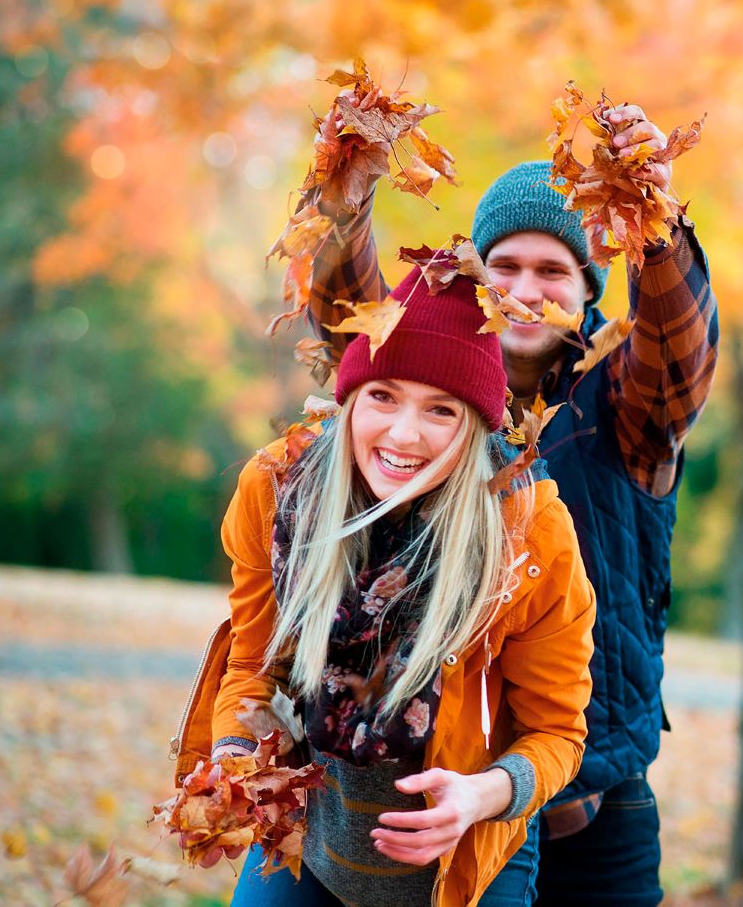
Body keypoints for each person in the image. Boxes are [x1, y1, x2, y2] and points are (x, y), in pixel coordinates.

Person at [309, 105, 720, 905]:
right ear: (475, 273)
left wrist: (656, 228)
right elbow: (352, 331)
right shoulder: (430, 402)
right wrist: (347, 208)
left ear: (586, 286)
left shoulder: (624, 404)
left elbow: (678, 350)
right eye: (505, 266)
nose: (525, 291)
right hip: (446, 801)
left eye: (552, 270)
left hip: (589, 810)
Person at [173, 264, 597, 907]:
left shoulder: (529, 536)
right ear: (349, 400)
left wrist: (482, 794)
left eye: (440, 410)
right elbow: (254, 664)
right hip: (311, 844)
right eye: (382, 396)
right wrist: (235, 760)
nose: (403, 434)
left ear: (475, 424)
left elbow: (558, 733)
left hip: (461, 863)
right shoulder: (279, 494)